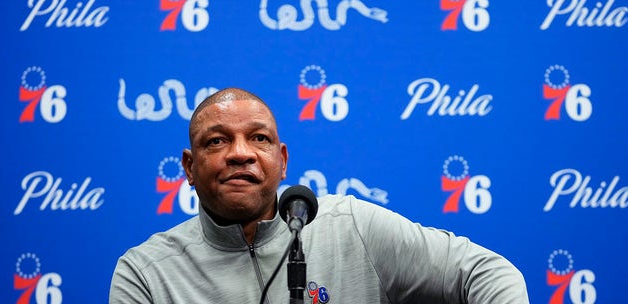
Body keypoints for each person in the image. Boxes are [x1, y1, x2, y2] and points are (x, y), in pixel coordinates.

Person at [109, 87, 529, 303]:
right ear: (189, 167)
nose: (240, 153)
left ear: (282, 160)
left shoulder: (350, 225)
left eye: (259, 138)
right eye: (217, 141)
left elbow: (486, 273)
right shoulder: (146, 273)